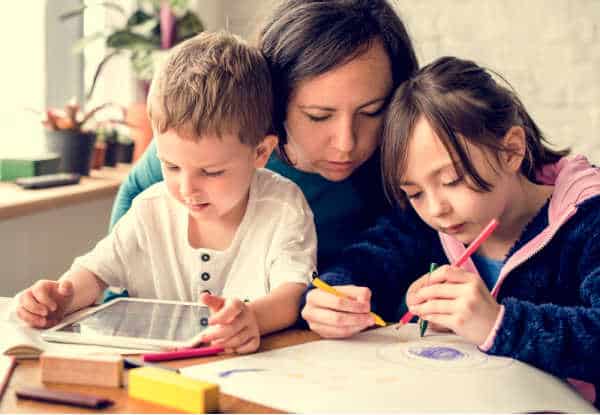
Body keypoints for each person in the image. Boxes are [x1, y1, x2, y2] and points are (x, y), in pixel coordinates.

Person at [303, 56, 600, 404]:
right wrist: (332, 297)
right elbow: (364, 262)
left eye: (452, 180)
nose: (435, 208)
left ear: (511, 151)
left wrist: (500, 324)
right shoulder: (430, 221)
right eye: (413, 192)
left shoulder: (587, 219)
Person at [16, 32, 318, 354]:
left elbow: (292, 293)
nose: (186, 189)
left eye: (211, 172)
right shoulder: (150, 210)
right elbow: (95, 272)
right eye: (171, 166)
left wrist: (252, 319)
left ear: (260, 152)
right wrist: (61, 297)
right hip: (153, 373)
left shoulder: (284, 207)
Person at [109, 0, 419, 270]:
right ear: (274, 100)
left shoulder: (405, 161)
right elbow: (137, 189)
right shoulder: (227, 135)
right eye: (318, 116)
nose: (346, 143)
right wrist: (119, 298)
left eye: (371, 111)